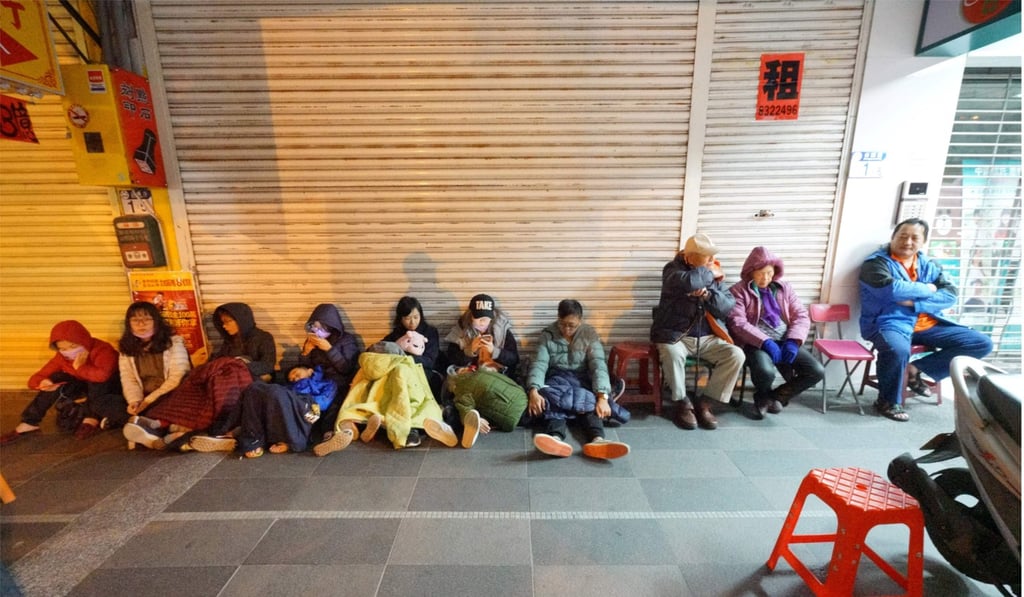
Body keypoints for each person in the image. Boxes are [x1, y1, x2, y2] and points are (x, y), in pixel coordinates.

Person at [859, 218, 993, 422]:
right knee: (897, 350)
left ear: (923, 242)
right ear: (893, 237)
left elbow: (950, 295)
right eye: (903, 236)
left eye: (915, 238)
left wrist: (915, 303)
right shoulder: (875, 264)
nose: (908, 242)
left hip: (928, 324)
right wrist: (928, 289)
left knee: (981, 343)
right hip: (889, 323)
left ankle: (918, 369)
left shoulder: (929, 265)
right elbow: (891, 290)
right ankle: (887, 402)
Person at [194, 303, 358, 456]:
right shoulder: (311, 341)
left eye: (322, 326)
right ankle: (232, 434)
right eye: (314, 325)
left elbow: (347, 368)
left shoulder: (346, 340)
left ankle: (327, 438)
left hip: (332, 385)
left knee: (320, 408)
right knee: (259, 392)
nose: (317, 330)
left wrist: (328, 349)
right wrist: (306, 353)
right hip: (305, 382)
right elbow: (303, 368)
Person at [119, 301, 253, 450]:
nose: (141, 324)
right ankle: (163, 434)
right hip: (145, 397)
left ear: (156, 321)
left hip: (170, 391)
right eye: (135, 320)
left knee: (191, 404)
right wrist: (135, 400)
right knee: (113, 406)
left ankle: (160, 432)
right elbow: (128, 379)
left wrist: (147, 401)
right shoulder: (127, 349)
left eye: (147, 319)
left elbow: (177, 377)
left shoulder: (173, 343)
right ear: (128, 323)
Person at [651, 232, 744, 431]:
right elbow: (688, 282)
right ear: (689, 256)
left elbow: (726, 306)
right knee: (671, 354)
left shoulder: (712, 272)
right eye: (706, 256)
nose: (711, 260)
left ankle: (706, 403)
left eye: (712, 256)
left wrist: (708, 295)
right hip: (676, 336)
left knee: (736, 355)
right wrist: (709, 273)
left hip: (708, 337)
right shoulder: (672, 270)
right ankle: (681, 402)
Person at [727, 246, 824, 419]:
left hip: (784, 339)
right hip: (755, 343)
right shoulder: (739, 291)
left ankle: (773, 397)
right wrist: (766, 342)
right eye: (761, 273)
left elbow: (800, 316)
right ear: (751, 272)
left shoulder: (784, 288)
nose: (765, 278)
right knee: (766, 372)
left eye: (769, 273)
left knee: (816, 370)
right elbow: (737, 323)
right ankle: (763, 394)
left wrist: (793, 341)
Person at [526, 299, 629, 459]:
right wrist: (533, 390)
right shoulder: (548, 335)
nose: (566, 329)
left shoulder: (589, 334)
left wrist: (602, 396)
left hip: (581, 379)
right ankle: (555, 439)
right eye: (562, 324)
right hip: (557, 378)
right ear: (557, 318)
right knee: (553, 403)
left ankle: (598, 440)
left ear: (580, 321)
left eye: (572, 325)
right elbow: (539, 364)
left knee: (589, 402)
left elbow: (598, 366)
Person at [0, 321, 122, 445]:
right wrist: (43, 382)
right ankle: (29, 422)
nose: (69, 351)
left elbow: (102, 376)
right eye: (63, 349)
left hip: (108, 389)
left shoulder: (102, 350)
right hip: (83, 387)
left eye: (73, 346)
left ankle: (91, 418)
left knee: (95, 379)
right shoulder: (63, 357)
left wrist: (80, 368)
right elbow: (34, 379)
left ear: (84, 341)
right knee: (56, 377)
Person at [442, 367, 528, 448]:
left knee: (457, 411)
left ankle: (450, 425)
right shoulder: (483, 372)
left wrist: (473, 420)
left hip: (511, 414)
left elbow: (464, 408)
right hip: (522, 396)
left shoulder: (462, 388)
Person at [444, 294, 519, 377]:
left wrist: (494, 351)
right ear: (471, 315)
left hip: (496, 376)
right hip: (470, 376)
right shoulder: (460, 330)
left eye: (486, 318)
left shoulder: (501, 330)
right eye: (478, 318)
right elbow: (451, 359)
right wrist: (470, 351)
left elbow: (514, 360)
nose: (482, 322)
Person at [209, 303, 277, 383]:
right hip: (232, 378)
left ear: (241, 320)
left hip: (254, 380)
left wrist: (238, 367)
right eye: (223, 323)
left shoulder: (264, 338)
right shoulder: (230, 339)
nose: (224, 326)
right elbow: (220, 358)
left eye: (228, 322)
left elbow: (268, 365)